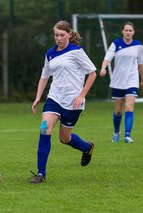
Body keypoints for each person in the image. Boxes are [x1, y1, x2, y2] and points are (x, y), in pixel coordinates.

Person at [30, 20, 97, 184]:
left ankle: (87, 148)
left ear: (69, 34)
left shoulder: (76, 51)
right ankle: (41, 173)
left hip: (73, 102)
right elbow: (44, 76)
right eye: (56, 35)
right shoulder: (50, 53)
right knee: (44, 129)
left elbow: (92, 73)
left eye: (61, 35)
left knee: (64, 138)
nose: (58, 38)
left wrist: (81, 95)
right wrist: (38, 97)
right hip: (54, 98)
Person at [99, 22, 143, 143]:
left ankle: (127, 136)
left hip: (132, 79)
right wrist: (103, 68)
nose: (128, 32)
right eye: (126, 30)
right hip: (118, 81)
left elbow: (140, 64)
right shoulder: (116, 44)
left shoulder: (138, 46)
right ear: (122, 31)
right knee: (118, 111)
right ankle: (116, 132)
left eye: (130, 30)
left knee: (129, 108)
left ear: (134, 32)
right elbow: (107, 58)